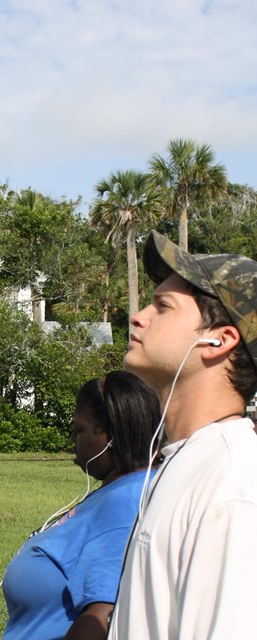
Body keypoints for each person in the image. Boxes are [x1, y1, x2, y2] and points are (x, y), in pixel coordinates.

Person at [108, 231, 257, 639]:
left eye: (163, 306)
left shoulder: (233, 481)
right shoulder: (188, 458)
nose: (139, 316)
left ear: (219, 341)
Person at [1, 370, 161, 640]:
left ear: (110, 436)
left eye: (80, 430)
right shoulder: (118, 489)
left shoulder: (127, 501)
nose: (73, 440)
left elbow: (104, 616)